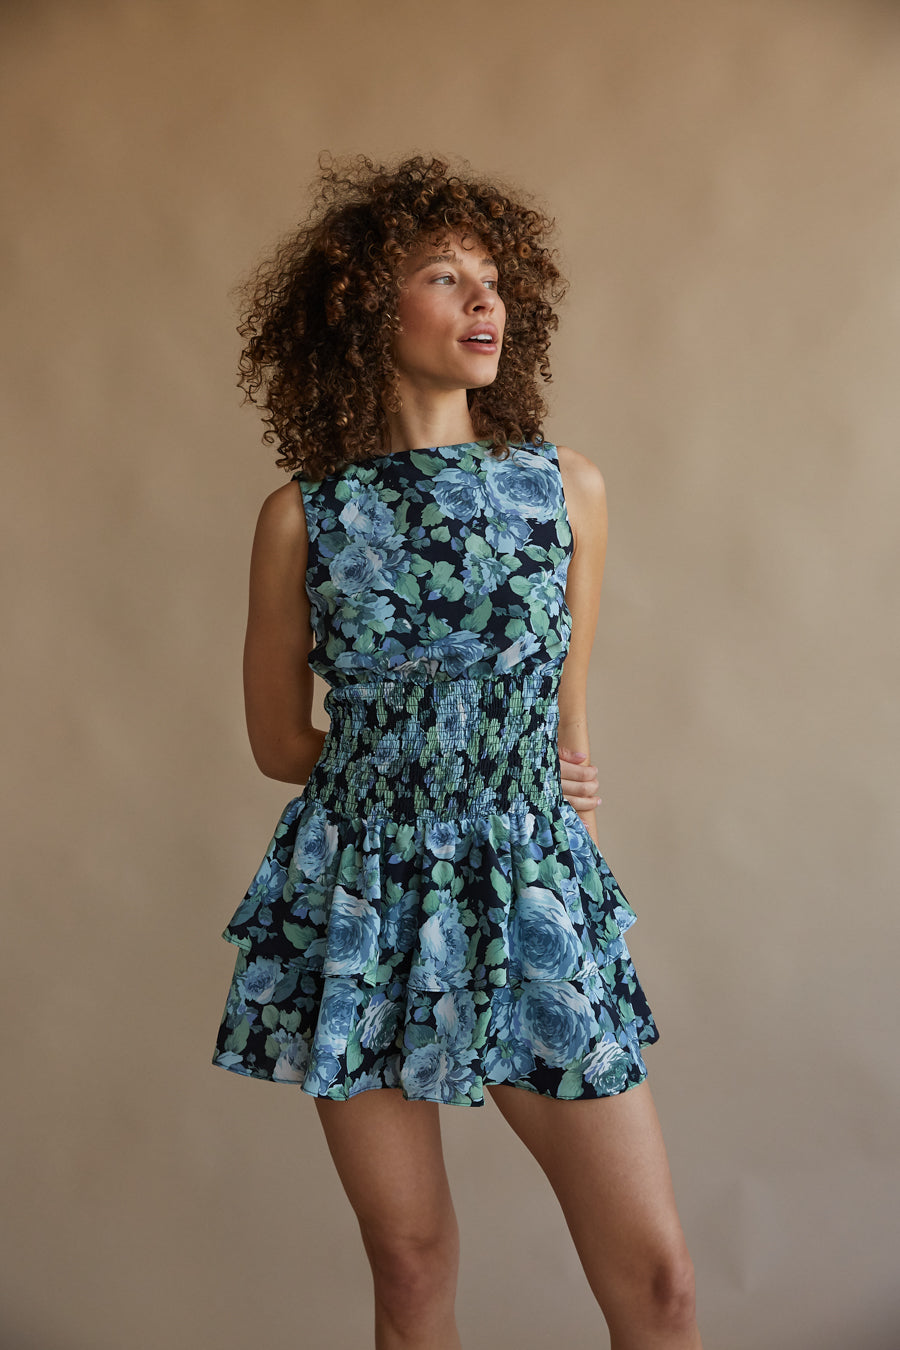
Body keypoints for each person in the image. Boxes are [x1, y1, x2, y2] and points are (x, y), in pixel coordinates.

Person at [211, 152, 702, 1350]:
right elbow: (279, 742)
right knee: (411, 1267)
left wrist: (559, 821)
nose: (486, 300)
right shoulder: (304, 517)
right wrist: (410, 768)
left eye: (494, 279)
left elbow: (566, 725)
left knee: (659, 1286)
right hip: (361, 892)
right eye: (445, 276)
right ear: (365, 309)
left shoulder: (566, 489)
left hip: (529, 882)